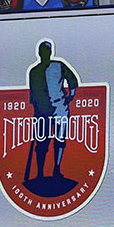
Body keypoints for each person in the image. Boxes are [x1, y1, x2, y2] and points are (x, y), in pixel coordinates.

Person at [26, 40, 79, 181]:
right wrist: (37, 110)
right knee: (42, 142)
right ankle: (40, 173)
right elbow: (33, 93)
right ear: (39, 53)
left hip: (59, 107)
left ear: (51, 52)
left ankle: (57, 169)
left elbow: (72, 80)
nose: (45, 54)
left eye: (47, 51)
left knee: (60, 140)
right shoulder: (34, 71)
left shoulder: (59, 66)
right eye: (43, 51)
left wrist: (71, 96)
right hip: (42, 110)